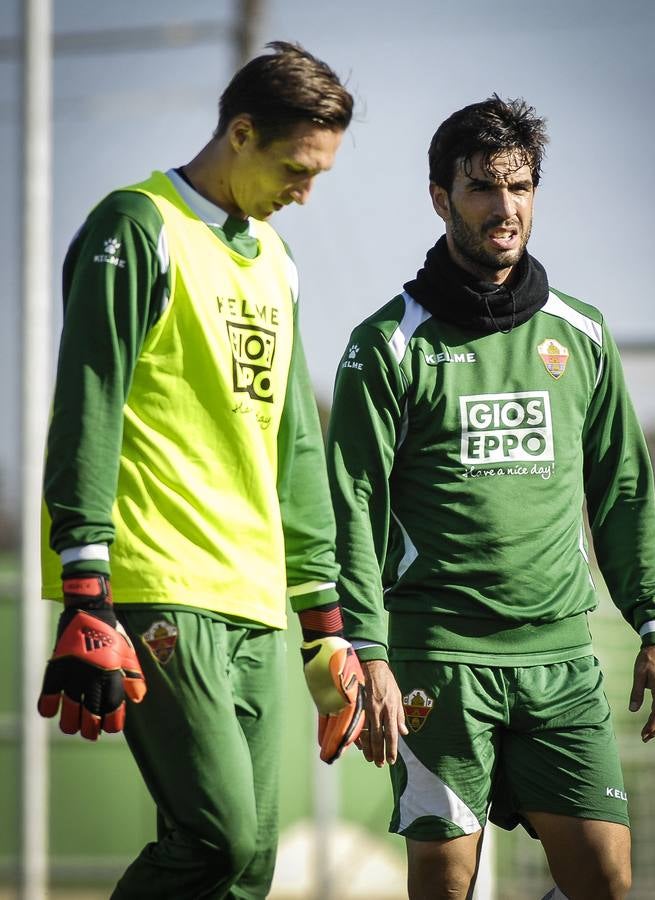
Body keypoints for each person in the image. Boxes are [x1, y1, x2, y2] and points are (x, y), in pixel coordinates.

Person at [326, 95, 655, 900]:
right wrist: (367, 653)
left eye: (520, 187)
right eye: (484, 187)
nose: (505, 207)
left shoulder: (580, 334)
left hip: (559, 660)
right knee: (446, 884)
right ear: (439, 197)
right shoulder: (387, 344)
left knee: (605, 880)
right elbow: (352, 508)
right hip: (438, 660)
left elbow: (622, 489)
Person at [38, 41, 364, 900]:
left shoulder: (278, 264)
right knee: (215, 835)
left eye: (319, 174)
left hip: (254, 594)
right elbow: (89, 402)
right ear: (241, 132)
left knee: (251, 866)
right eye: (297, 168)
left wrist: (323, 620)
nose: (306, 191)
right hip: (158, 579)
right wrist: (85, 588)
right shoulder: (135, 226)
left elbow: (295, 441)